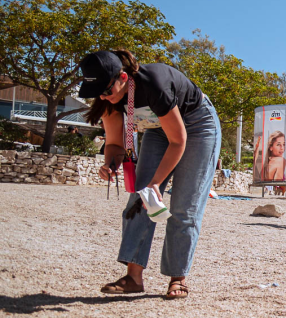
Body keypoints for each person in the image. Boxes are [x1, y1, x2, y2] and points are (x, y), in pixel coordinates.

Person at [81, 49, 221, 299]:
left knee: (184, 206)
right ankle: (133, 277)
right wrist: (111, 164)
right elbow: (114, 144)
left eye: (106, 90)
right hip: (158, 129)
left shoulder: (153, 84)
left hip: (198, 126)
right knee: (139, 199)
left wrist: (156, 183)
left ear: (122, 77)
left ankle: (177, 277)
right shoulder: (108, 100)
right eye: (98, 92)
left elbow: (178, 141)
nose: (103, 96)